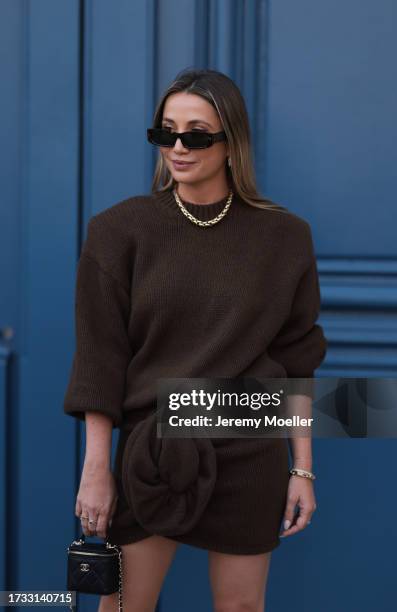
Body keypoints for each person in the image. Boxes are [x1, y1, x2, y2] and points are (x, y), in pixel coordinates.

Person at [63, 68, 327, 612]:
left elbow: (297, 358)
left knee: (240, 608)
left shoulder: (285, 238)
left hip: (248, 444)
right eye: (166, 133)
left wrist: (302, 467)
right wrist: (96, 471)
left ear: (232, 142)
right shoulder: (118, 232)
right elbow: (100, 359)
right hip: (150, 451)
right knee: (122, 608)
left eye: (197, 134)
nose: (178, 148)